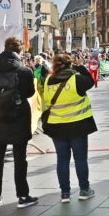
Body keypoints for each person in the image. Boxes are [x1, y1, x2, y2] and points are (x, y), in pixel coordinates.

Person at [0, 37, 38, 209]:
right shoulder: (25, 71)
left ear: (5, 48)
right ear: (19, 51)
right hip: (19, 118)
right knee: (20, 158)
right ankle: (22, 195)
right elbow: (29, 93)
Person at [42, 53, 97, 202]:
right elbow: (91, 81)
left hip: (56, 126)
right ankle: (84, 190)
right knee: (80, 158)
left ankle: (65, 193)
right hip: (77, 125)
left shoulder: (48, 81)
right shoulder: (76, 79)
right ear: (70, 64)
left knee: (62, 159)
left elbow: (46, 101)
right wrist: (81, 67)